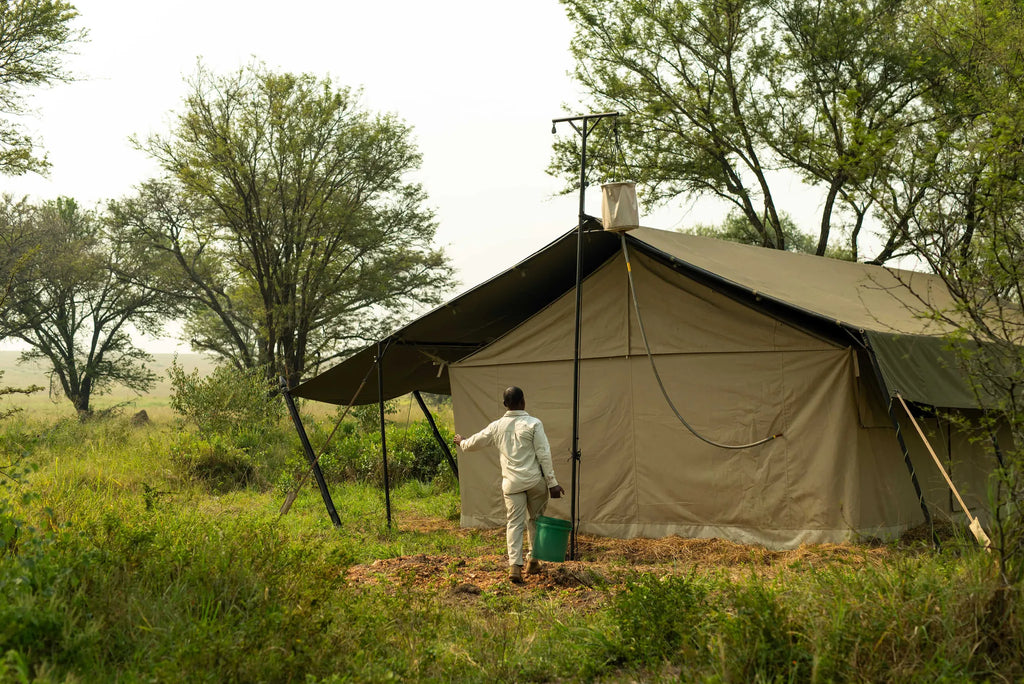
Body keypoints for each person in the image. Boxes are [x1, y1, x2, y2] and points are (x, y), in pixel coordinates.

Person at [454, 386, 565, 584]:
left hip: (511, 484)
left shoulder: (497, 426)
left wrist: (462, 442)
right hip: (534, 482)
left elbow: (474, 442)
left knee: (514, 522)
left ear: (505, 405)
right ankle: (533, 558)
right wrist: (553, 483)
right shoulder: (534, 424)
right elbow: (544, 454)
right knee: (535, 519)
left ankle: (515, 565)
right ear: (523, 401)